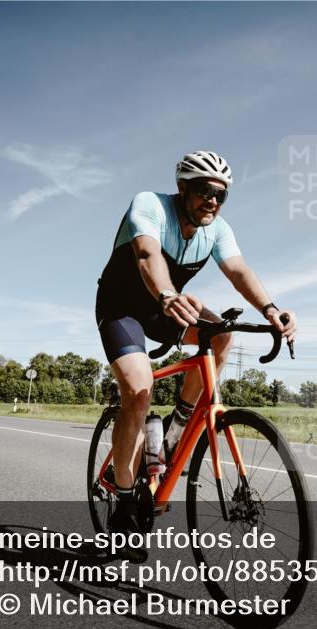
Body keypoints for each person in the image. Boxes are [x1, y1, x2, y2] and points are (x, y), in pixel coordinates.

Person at [95, 150, 297, 538]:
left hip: (167, 311)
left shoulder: (217, 229)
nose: (213, 201)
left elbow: (238, 270)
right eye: (205, 191)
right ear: (183, 188)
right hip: (123, 309)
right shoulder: (150, 205)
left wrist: (271, 309)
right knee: (139, 391)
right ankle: (123, 500)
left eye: (222, 195)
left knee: (222, 333)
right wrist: (169, 294)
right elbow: (146, 253)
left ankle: (177, 426)